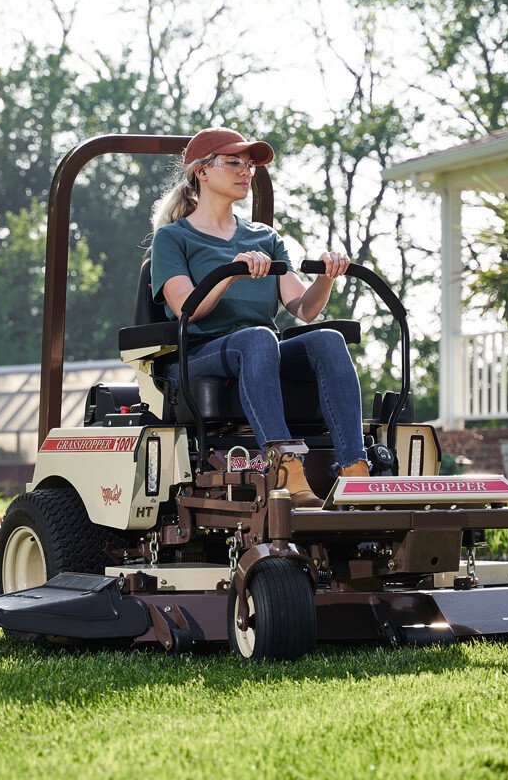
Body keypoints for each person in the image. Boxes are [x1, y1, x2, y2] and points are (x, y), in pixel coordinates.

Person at [149, 126, 369, 508]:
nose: (245, 172)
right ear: (201, 172)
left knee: (328, 340)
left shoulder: (264, 237)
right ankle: (285, 467)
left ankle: (355, 470)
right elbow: (188, 308)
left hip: (259, 351)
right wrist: (231, 272)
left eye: (249, 165)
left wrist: (325, 278)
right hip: (199, 356)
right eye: (233, 162)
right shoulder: (173, 238)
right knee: (258, 337)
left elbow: (304, 309)